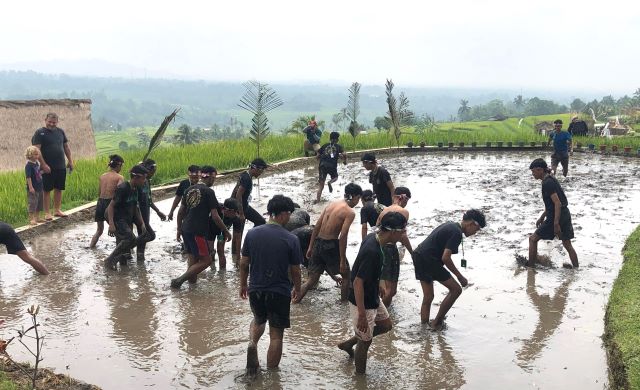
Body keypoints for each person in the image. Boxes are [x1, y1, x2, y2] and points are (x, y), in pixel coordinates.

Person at [337, 212, 408, 374]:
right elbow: (357, 282)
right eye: (402, 231)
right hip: (361, 299)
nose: (403, 235)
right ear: (393, 232)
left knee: (385, 325)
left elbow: (366, 269)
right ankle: (360, 378)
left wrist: (379, 283)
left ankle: (349, 343)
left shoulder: (374, 237)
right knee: (365, 343)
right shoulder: (372, 251)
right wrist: (361, 314)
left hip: (371, 293)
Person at [239, 195, 302, 375]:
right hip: (279, 291)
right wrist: (297, 289)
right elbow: (296, 270)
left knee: (258, 319)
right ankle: (272, 375)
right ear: (282, 214)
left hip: (256, 288)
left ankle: (253, 342)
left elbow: (244, 263)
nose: (289, 217)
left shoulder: (252, 234)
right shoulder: (291, 239)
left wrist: (243, 285)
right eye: (289, 214)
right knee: (276, 335)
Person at [412, 209, 486, 330]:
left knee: (428, 296)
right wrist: (459, 276)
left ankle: (424, 328)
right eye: (476, 230)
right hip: (429, 260)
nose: (475, 233)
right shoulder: (456, 232)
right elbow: (446, 258)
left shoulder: (451, 225)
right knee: (456, 289)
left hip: (419, 255)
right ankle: (437, 322)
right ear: (472, 223)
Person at [294, 183, 362, 303]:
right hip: (331, 245)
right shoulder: (349, 212)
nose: (358, 202)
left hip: (318, 243)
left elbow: (317, 226)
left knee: (311, 280)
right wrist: (341, 260)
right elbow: (343, 236)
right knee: (346, 275)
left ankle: (293, 301)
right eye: (358, 199)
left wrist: (311, 246)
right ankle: (344, 305)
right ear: (355, 197)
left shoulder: (331, 205)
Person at [172, 166, 232, 288]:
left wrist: (179, 229)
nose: (214, 180)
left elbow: (180, 212)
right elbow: (215, 216)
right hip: (197, 231)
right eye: (214, 177)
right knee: (207, 260)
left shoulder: (189, 189)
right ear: (209, 176)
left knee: (192, 259)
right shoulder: (209, 192)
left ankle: (192, 288)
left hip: (186, 228)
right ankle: (179, 281)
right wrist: (226, 231)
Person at [528, 158, 579, 269]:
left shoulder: (547, 183)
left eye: (533, 172)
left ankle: (530, 268)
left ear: (540, 170)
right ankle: (576, 269)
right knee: (567, 244)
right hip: (564, 214)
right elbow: (553, 203)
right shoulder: (550, 179)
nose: (533, 174)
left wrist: (556, 223)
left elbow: (557, 203)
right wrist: (542, 217)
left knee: (532, 239)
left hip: (556, 215)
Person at [104, 164, 150, 270]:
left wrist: (142, 223)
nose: (144, 181)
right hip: (115, 216)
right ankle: (109, 260)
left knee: (124, 240)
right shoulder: (123, 188)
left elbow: (135, 207)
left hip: (125, 217)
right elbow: (111, 206)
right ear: (136, 177)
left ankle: (121, 264)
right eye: (143, 178)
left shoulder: (136, 189)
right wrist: (111, 224)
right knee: (130, 238)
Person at [375, 187, 413, 307]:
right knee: (390, 290)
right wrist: (413, 253)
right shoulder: (404, 212)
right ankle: (384, 317)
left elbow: (376, 230)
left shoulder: (384, 211)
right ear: (404, 199)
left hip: (379, 248)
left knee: (385, 287)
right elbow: (402, 235)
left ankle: (381, 312)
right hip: (390, 249)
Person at [32, 113, 73, 220]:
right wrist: (43, 164)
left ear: (57, 122)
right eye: (49, 122)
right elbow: (36, 150)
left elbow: (66, 147)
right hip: (46, 167)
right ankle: (47, 213)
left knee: (59, 188)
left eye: (54, 122)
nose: (51, 124)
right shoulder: (39, 133)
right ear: (45, 120)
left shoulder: (60, 132)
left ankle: (57, 210)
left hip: (60, 165)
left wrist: (70, 161)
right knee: (46, 190)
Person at [229, 158, 268, 262]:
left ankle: (235, 254)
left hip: (241, 206)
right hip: (240, 207)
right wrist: (241, 213)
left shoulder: (245, 174)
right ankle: (238, 256)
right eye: (261, 171)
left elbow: (235, 191)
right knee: (239, 232)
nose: (261, 173)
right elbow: (238, 195)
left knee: (257, 222)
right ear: (255, 168)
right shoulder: (246, 179)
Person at [90, 155, 125, 248]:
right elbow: (119, 192)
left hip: (100, 203)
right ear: (118, 165)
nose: (121, 169)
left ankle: (91, 247)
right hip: (110, 204)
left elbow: (99, 192)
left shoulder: (102, 176)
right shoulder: (119, 177)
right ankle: (123, 249)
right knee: (117, 229)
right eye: (121, 166)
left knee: (99, 230)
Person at [135, 159, 167, 262]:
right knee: (149, 235)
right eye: (153, 171)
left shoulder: (147, 182)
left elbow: (149, 200)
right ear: (148, 170)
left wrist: (158, 212)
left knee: (144, 235)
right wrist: (140, 220)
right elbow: (135, 203)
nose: (154, 173)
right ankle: (130, 248)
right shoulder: (138, 183)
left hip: (146, 212)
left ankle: (139, 255)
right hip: (138, 214)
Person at [315, 131, 347, 203]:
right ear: (336, 139)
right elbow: (344, 154)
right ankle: (330, 182)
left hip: (322, 165)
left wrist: (319, 159)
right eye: (338, 138)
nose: (338, 140)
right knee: (335, 177)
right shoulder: (338, 146)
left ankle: (317, 202)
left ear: (330, 138)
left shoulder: (324, 145)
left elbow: (317, 156)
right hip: (332, 166)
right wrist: (344, 161)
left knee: (321, 186)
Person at [213, 198, 240, 269]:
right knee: (210, 252)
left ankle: (222, 274)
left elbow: (238, 239)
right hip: (210, 230)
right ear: (227, 210)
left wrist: (238, 258)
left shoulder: (236, 218)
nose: (236, 214)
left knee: (220, 251)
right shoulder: (216, 209)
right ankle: (212, 264)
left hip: (222, 232)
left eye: (237, 211)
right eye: (235, 212)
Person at [24, 146, 44, 225]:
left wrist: (42, 172)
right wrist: (31, 187)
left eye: (37, 154)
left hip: (39, 186)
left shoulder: (36, 163)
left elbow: (37, 173)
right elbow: (28, 177)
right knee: (32, 202)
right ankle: (31, 218)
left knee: (39, 202)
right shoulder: (28, 166)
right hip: (33, 188)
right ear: (30, 155)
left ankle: (37, 217)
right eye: (35, 155)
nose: (37, 156)